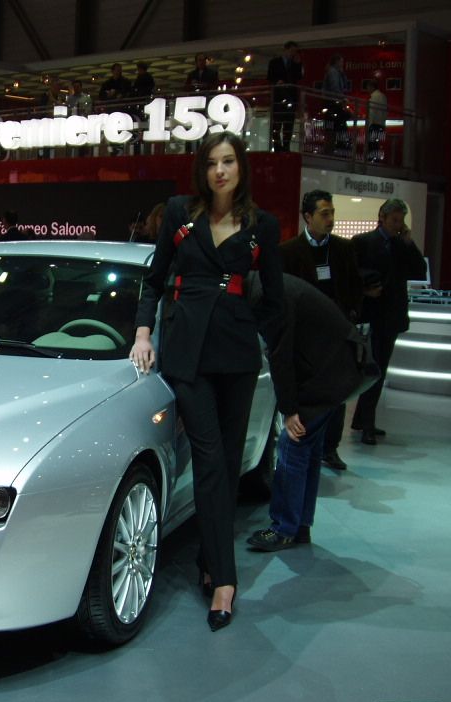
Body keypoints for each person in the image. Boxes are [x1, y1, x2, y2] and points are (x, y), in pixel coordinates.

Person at [131, 131, 283, 632]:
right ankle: (225, 579)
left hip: (237, 357)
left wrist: (262, 342)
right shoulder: (180, 213)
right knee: (212, 461)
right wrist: (143, 333)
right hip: (187, 356)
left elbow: (276, 303)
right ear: (203, 170)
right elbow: (154, 281)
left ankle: (208, 563)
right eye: (213, 163)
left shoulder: (263, 226)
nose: (221, 171)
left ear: (241, 169)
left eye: (229, 162)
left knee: (228, 466)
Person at [246, 274, 372, 551]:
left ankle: (283, 528)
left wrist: (290, 411)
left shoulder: (265, 296)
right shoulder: (270, 285)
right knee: (307, 450)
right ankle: (299, 525)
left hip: (326, 375)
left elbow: (280, 354)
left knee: (293, 446)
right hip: (334, 369)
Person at [279, 189, 364, 471]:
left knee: (337, 392)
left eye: (332, 213)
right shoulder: (288, 251)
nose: (330, 219)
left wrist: (349, 317)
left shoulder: (343, 249)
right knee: (306, 391)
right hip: (303, 336)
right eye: (324, 214)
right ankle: (304, 441)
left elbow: (354, 287)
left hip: (336, 332)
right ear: (308, 217)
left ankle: (331, 447)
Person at [349, 199, 428, 444]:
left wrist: (409, 242)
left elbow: (419, 272)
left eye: (400, 220)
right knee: (371, 368)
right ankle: (366, 423)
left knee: (380, 368)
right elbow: (350, 274)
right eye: (394, 220)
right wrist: (364, 291)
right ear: (382, 217)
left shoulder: (402, 245)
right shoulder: (362, 242)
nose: (397, 225)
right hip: (370, 314)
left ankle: (364, 420)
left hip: (391, 316)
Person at [267, 41, 303, 152]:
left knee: (288, 124)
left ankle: (286, 146)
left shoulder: (294, 63)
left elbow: (299, 77)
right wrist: (277, 82)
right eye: (292, 51)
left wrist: (298, 64)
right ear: (286, 50)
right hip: (278, 97)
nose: (293, 53)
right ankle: (278, 147)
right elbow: (270, 77)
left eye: (294, 51)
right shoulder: (275, 62)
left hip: (290, 97)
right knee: (277, 124)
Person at [322, 55, 350, 156]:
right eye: (341, 61)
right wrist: (342, 98)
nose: (343, 64)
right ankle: (332, 151)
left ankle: (331, 150)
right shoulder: (333, 72)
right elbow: (335, 88)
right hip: (333, 104)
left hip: (332, 104)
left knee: (332, 128)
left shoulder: (335, 72)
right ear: (337, 62)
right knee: (335, 128)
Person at [364, 81, 387, 161]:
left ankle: (371, 161)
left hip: (374, 124)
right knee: (377, 144)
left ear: (372, 87)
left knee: (372, 145)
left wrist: (368, 125)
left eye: (368, 87)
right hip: (381, 124)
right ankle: (377, 160)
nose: (367, 89)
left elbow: (372, 113)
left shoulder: (373, 98)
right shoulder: (383, 96)